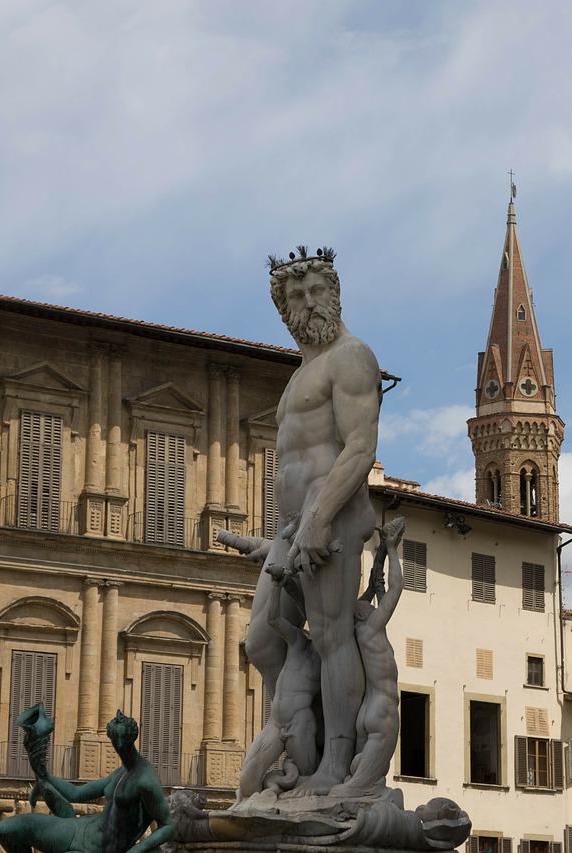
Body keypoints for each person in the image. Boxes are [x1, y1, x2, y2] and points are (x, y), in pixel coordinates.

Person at [243, 249, 381, 796]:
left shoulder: (352, 357)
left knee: (330, 636)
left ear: (335, 293)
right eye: (294, 297)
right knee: (260, 642)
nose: (306, 303)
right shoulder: (302, 372)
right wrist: (289, 525)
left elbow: (361, 445)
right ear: (283, 310)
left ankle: (335, 764)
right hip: (290, 527)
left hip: (332, 517)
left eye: (315, 291)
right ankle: (305, 734)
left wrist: (321, 515)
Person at [0, 710, 173, 853]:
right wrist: (45, 775)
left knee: (9, 831)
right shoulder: (121, 772)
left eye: (121, 740)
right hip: (80, 828)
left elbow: (167, 825)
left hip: (98, 847)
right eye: (114, 739)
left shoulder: (146, 780)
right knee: (5, 830)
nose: (117, 745)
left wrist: (137, 850)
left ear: (129, 739)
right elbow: (76, 794)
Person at [234, 555, 322, 800]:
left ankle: (283, 794)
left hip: (300, 724)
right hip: (277, 722)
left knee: (304, 783)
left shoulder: (330, 663)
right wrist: (275, 586)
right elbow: (272, 620)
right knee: (247, 781)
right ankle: (276, 789)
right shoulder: (298, 642)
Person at [330, 517, 405, 798]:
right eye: (370, 607)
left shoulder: (363, 631)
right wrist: (393, 548)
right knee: (360, 790)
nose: (375, 607)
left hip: (366, 713)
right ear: (364, 614)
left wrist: (380, 559)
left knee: (358, 784)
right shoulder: (372, 629)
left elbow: (376, 588)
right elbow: (395, 590)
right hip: (383, 712)